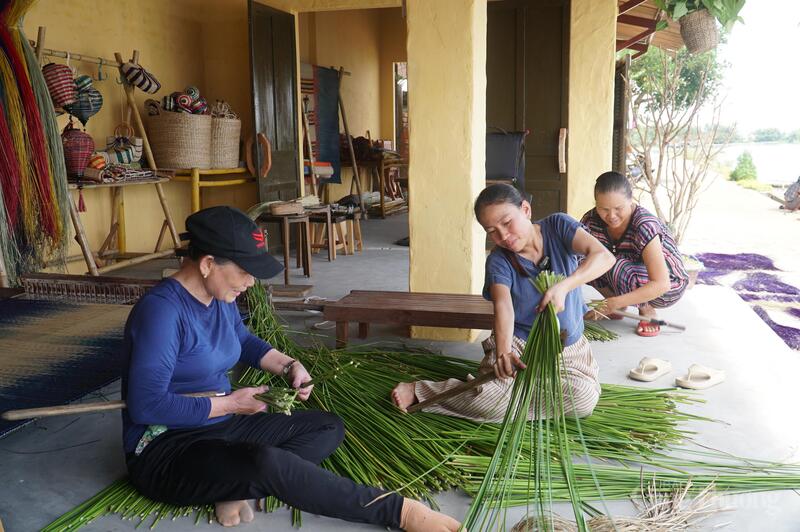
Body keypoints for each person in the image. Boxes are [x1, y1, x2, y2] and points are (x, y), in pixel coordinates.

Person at [122, 206, 459, 531]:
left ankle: (234, 485)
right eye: (244, 271)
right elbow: (146, 405)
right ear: (208, 263)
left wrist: (289, 365)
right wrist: (231, 404)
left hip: (221, 426)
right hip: (167, 450)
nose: (251, 283)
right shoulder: (161, 313)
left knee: (327, 426)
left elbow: (241, 339)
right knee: (267, 463)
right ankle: (398, 511)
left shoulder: (220, 297)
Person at [392, 184, 615, 422]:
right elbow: (503, 308)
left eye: (507, 223)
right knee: (488, 403)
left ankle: (517, 391)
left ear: (526, 210)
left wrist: (564, 286)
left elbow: (603, 256)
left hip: (567, 349)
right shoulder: (499, 261)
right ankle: (422, 391)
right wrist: (503, 352)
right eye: (492, 231)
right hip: (520, 346)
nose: (504, 237)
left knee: (583, 401)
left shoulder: (558, 226)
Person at [580, 171, 689, 337]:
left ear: (631, 200)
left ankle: (646, 311)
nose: (611, 216)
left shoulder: (644, 225)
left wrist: (612, 302)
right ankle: (620, 307)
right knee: (586, 261)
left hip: (668, 285)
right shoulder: (591, 220)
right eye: (604, 209)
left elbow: (662, 284)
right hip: (630, 274)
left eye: (618, 208)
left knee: (616, 264)